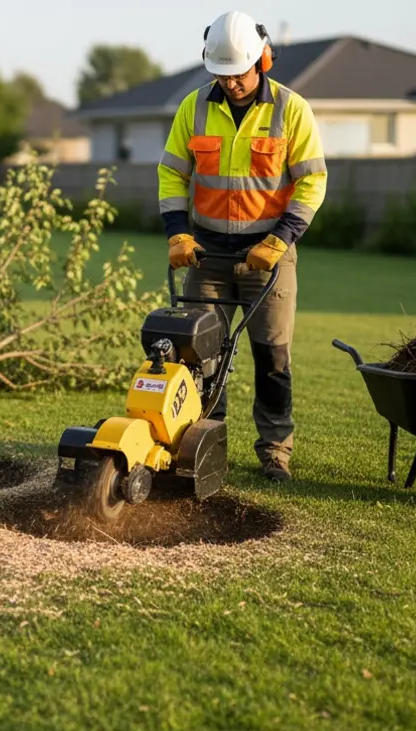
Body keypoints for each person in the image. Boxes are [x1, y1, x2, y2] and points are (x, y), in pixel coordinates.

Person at [156, 10, 327, 482]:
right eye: (221, 74)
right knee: (198, 355)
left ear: (262, 60)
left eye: (238, 73)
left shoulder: (291, 110)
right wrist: (177, 231)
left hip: (268, 254)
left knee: (272, 356)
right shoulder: (193, 107)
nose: (230, 83)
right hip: (206, 253)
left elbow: (312, 182)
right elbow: (173, 171)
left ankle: (275, 452)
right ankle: (205, 443)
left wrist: (281, 239)